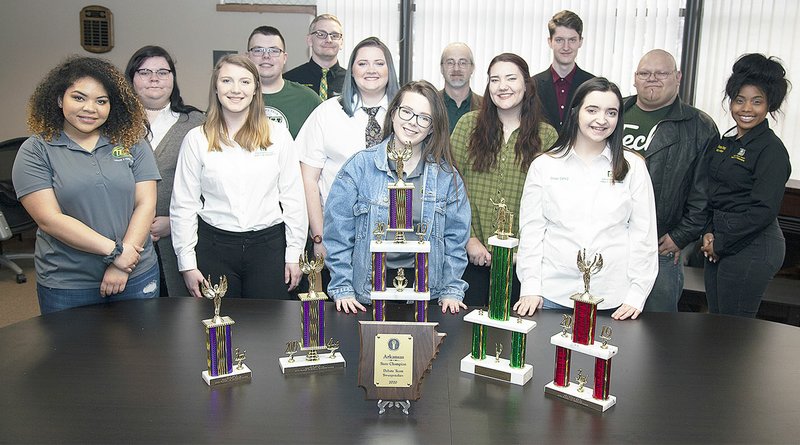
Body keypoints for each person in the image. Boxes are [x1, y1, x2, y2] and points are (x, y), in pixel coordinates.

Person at [12, 56, 160, 314]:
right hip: (69, 281)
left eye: (101, 101)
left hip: (136, 272)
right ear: (60, 100)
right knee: (74, 354)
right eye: (79, 98)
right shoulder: (35, 151)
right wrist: (116, 254)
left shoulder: (131, 142)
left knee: (140, 351)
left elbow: (145, 203)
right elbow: (50, 219)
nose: (90, 108)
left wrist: (121, 264)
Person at [515, 77, 658, 320]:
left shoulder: (633, 167)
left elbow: (643, 235)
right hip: (552, 296)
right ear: (575, 112)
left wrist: (637, 293)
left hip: (614, 300)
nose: (602, 120)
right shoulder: (545, 165)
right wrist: (530, 286)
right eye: (592, 110)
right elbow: (531, 232)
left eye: (611, 112)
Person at [324, 80, 471, 314]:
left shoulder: (446, 177)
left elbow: (456, 239)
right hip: (367, 290)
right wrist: (342, 287)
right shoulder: (359, 167)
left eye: (424, 118)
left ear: (432, 128)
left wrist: (452, 289)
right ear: (393, 114)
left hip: (426, 291)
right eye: (407, 112)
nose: (412, 122)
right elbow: (338, 233)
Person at [170, 54, 307, 299]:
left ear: (256, 88)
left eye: (244, 82)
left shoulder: (278, 136)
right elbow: (184, 204)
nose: (235, 90)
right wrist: (187, 263)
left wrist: (294, 254)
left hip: (269, 249)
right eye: (226, 81)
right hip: (214, 249)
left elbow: (294, 199)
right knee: (218, 332)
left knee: (268, 330)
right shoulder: (196, 139)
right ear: (215, 86)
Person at [451, 53, 557, 306]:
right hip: (469, 258)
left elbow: (552, 203)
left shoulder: (547, 136)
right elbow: (450, 185)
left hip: (523, 263)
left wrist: (524, 253)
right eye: (495, 79)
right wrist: (469, 238)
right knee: (466, 335)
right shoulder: (468, 125)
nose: (503, 86)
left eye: (511, 78)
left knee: (515, 338)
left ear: (527, 85)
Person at [622, 49, 719, 312]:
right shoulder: (613, 112)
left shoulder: (699, 126)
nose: (652, 78)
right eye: (645, 73)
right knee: (604, 327)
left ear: (677, 77)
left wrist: (680, 236)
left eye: (661, 73)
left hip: (661, 248)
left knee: (656, 333)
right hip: (609, 243)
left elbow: (705, 194)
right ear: (634, 78)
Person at [701, 54, 791, 318]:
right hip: (721, 239)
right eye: (739, 100)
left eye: (756, 101)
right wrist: (708, 232)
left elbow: (763, 210)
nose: (746, 108)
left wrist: (721, 243)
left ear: (769, 105)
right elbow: (714, 193)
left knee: (735, 329)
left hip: (753, 244)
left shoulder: (771, 150)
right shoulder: (726, 142)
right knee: (717, 321)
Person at [298, 36, 400, 264]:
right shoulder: (327, 113)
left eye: (379, 63)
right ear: (351, 70)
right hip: (338, 234)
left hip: (394, 234)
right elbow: (308, 179)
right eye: (362, 63)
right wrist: (318, 237)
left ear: (389, 70)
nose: (370, 70)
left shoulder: (404, 115)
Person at [125, 45, 206, 297]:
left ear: (173, 77)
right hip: (126, 238)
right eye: (144, 72)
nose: (154, 78)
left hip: (181, 237)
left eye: (163, 71)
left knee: (181, 317)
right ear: (131, 78)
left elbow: (215, 182)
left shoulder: (196, 122)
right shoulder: (113, 125)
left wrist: (175, 222)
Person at [246, 26, 322, 138]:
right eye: (258, 50)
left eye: (274, 51)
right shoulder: (233, 98)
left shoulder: (308, 100)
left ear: (285, 58)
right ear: (247, 57)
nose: (266, 56)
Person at [532, 10, 595, 131]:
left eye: (572, 40)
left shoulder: (592, 85)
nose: (566, 47)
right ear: (550, 42)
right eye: (559, 40)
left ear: (580, 42)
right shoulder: (532, 84)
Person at [285, 14, 347, 99]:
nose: (329, 40)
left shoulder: (352, 82)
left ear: (341, 42)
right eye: (321, 34)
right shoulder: (289, 80)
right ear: (310, 40)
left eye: (335, 35)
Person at [439, 42, 483, 134]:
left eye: (463, 63)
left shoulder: (486, 107)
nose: (456, 69)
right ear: (442, 68)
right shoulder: (429, 104)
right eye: (450, 63)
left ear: (472, 68)